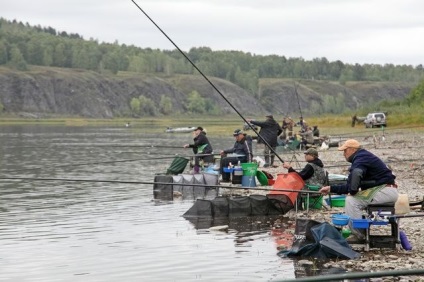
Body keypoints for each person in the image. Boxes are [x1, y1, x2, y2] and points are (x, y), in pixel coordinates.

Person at [318, 139, 398, 242]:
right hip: (385, 190)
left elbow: (356, 175)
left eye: (345, 151)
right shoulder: (362, 157)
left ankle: (358, 235)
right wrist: (331, 188)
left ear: (352, 149)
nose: (343, 154)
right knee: (352, 198)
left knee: (352, 201)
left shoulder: (360, 158)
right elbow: (350, 185)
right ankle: (360, 231)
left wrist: (353, 191)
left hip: (384, 191)